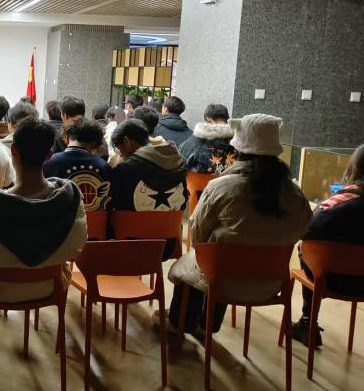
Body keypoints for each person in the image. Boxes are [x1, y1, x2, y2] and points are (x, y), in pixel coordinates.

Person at [166, 114, 312, 338]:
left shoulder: (221, 187)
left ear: (238, 149)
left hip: (223, 280)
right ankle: (209, 326)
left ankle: (180, 325)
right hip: (271, 283)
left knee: (200, 261)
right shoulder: (295, 195)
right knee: (223, 256)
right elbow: (301, 230)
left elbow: (198, 236)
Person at [0, 118, 87, 342]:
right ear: (48, 155)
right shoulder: (69, 200)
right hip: (47, 286)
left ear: (13, 150)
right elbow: (76, 247)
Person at [290, 141, 364, 346]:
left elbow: (307, 229)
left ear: (357, 167)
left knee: (306, 248)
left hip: (332, 279)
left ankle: (308, 322)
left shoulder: (344, 199)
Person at [109, 118, 187, 214]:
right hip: (172, 223)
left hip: (132, 223)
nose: (120, 154)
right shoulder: (178, 164)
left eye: (118, 148)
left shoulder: (123, 171)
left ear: (126, 142)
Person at [43, 118, 111, 210]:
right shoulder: (104, 166)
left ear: (66, 138)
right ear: (94, 144)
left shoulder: (49, 162)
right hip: (94, 218)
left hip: (59, 217)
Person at [178, 103, 238, 174]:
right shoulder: (240, 141)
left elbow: (179, 166)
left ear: (208, 119)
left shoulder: (195, 141)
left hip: (201, 180)